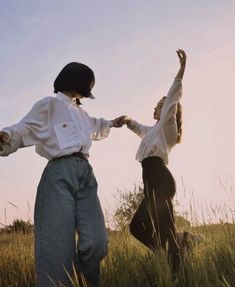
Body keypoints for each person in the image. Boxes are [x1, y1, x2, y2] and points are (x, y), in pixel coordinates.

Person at [0, 62, 125, 287]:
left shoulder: (82, 113)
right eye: (86, 89)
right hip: (59, 175)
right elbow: (25, 128)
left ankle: (80, 280)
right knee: (56, 251)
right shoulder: (49, 105)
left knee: (97, 242)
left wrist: (112, 123)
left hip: (86, 175)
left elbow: (96, 125)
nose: (87, 96)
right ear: (74, 82)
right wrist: (6, 135)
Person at [123, 50, 186, 273]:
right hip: (151, 179)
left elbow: (173, 98)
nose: (156, 107)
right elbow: (140, 129)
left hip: (160, 178)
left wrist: (180, 71)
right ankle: (177, 253)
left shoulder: (168, 124)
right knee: (157, 228)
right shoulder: (154, 131)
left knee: (138, 226)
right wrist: (128, 121)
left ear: (167, 110)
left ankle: (176, 258)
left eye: (159, 105)